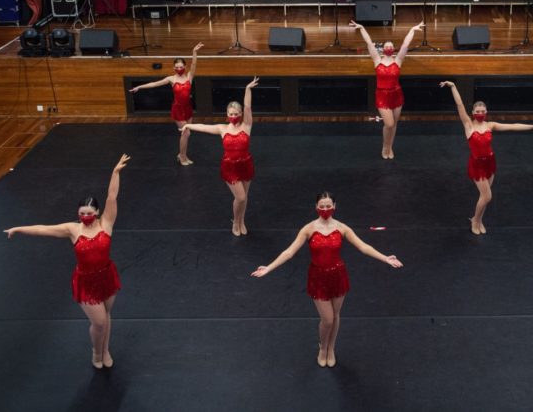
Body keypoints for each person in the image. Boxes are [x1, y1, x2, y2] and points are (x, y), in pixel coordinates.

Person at [4, 154, 130, 369]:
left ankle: (105, 350)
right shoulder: (72, 229)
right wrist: (19, 229)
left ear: (97, 212)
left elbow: (111, 197)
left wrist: (115, 172)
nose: (86, 216)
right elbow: (44, 229)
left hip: (107, 276)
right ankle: (96, 352)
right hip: (86, 281)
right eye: (82, 213)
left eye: (90, 213)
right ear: (78, 214)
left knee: (107, 316)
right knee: (98, 322)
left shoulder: (106, 223)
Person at [251, 191, 403, 367]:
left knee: (336, 315)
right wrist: (269, 267)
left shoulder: (342, 228)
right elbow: (289, 252)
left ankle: (331, 347)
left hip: (337, 275)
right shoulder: (308, 229)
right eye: (321, 206)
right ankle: (322, 347)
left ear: (334, 207)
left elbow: (363, 247)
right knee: (328, 319)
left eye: (328, 206)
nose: (325, 209)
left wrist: (385, 258)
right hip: (318, 277)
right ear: (316, 207)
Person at [440, 81, 533, 234]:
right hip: (477, 165)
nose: (480, 113)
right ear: (473, 112)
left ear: (486, 111)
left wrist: (532, 126)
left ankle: (479, 219)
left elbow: (512, 126)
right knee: (487, 196)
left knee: (484, 195)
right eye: (478, 110)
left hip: (490, 162)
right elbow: (460, 105)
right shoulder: (468, 125)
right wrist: (454, 86)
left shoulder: (490, 125)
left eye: (483, 110)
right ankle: (475, 220)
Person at [181, 78, 259, 236]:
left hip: (246, 164)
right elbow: (204, 127)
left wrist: (247, 89)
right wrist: (188, 125)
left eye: (236, 114)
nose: (234, 116)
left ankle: (242, 220)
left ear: (241, 114)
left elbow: (248, 106)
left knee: (245, 197)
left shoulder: (247, 126)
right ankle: (235, 222)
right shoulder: (222, 128)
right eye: (231, 114)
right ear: (227, 114)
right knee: (241, 197)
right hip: (230, 167)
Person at [351, 20, 424, 159]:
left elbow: (405, 44)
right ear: (383, 49)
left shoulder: (398, 61)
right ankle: (385, 145)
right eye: (387, 46)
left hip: (396, 94)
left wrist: (413, 30)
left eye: (391, 46)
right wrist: (361, 27)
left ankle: (390, 147)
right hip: (382, 95)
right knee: (388, 124)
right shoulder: (377, 60)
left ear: (393, 49)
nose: (389, 47)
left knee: (394, 124)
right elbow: (369, 43)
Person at [129, 43, 204, 165]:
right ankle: (182, 157)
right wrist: (139, 87)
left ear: (185, 66)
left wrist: (194, 52)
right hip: (178, 109)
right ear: (174, 68)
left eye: (181, 66)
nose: (179, 69)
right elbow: (154, 84)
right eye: (176, 67)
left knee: (186, 135)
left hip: (188, 108)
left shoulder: (190, 76)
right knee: (186, 132)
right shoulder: (171, 79)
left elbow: (194, 64)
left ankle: (182, 154)